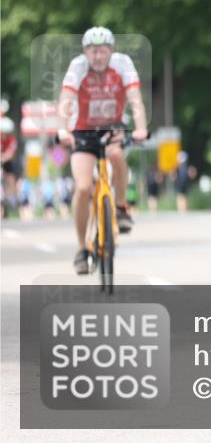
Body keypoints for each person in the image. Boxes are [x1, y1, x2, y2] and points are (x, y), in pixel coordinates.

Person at [56, 27, 148, 273]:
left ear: (112, 50)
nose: (98, 56)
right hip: (83, 130)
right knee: (84, 187)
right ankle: (81, 249)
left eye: (103, 50)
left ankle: (119, 208)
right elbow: (65, 101)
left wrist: (140, 128)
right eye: (93, 51)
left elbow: (135, 100)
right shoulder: (78, 66)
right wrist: (62, 130)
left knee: (116, 154)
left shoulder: (123, 64)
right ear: (86, 51)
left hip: (112, 128)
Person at [1, 109, 18, 218]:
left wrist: (3, 158)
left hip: (6, 161)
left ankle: (11, 197)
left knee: (11, 176)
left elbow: (10, 153)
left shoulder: (12, 140)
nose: (4, 136)